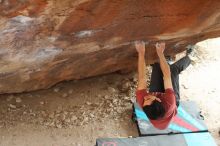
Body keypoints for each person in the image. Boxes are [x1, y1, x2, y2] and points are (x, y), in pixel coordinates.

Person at [135, 41, 191, 130]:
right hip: (171, 103)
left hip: (158, 110)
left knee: (157, 66)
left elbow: (142, 78)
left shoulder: (144, 103)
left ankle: (166, 61)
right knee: (173, 70)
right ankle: (189, 58)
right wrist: (160, 53)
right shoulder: (170, 102)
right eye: (148, 98)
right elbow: (167, 76)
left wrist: (141, 53)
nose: (145, 98)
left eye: (145, 100)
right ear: (158, 98)